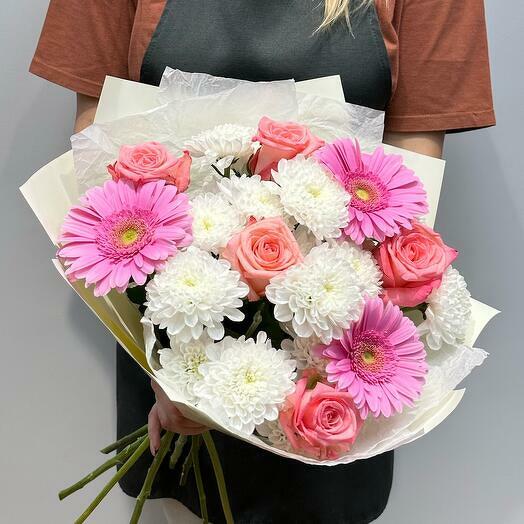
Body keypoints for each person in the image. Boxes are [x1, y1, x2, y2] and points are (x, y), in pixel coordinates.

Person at [31, 1, 495, 522]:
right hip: (171, 327)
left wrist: (321, 361)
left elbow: (408, 189)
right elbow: (100, 152)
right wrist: (173, 362)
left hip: (337, 358)